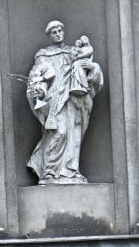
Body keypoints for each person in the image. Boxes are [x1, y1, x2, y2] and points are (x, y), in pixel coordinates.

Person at [26, 20, 103, 184]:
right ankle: (49, 172)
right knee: (59, 132)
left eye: (59, 31)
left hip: (75, 99)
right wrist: (38, 89)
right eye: (54, 32)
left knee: (74, 135)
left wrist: (93, 68)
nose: (57, 34)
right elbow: (36, 77)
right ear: (50, 36)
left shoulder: (73, 52)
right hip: (55, 100)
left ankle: (72, 171)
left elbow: (90, 73)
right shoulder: (44, 55)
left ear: (63, 32)